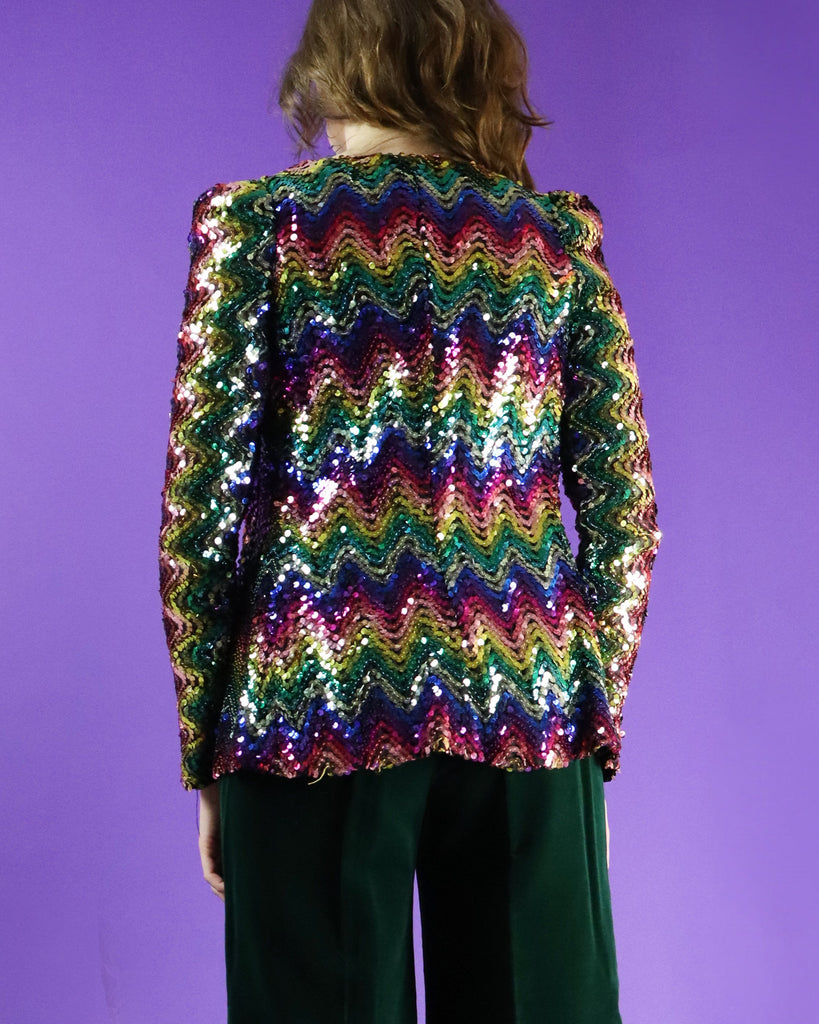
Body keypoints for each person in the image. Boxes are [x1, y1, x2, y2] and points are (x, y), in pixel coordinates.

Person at [158, 0, 662, 1020]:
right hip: (528, 702)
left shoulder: (260, 229)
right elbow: (625, 513)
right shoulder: (555, 241)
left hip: (306, 705)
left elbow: (199, 519)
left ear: (330, 68)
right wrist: (589, 725)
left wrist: (207, 744)